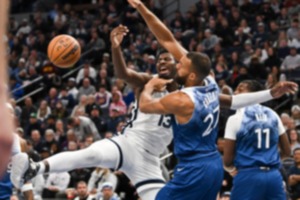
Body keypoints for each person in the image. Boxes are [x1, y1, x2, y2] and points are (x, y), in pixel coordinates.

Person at [11, 25, 298, 200]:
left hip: (150, 159)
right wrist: (115, 48)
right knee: (93, 154)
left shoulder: (190, 95)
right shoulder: (145, 81)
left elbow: (233, 101)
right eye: (159, 59)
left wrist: (270, 94)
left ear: (179, 67)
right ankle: (37, 167)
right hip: (129, 143)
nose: (161, 62)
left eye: (167, 60)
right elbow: (121, 71)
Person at [126, 0, 298, 199]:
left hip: (194, 167)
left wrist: (149, 87)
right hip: (213, 164)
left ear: (191, 75)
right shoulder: (209, 84)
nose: (176, 65)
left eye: (181, 66)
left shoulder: (182, 99)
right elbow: (168, 40)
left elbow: (146, 106)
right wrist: (270, 93)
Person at [223, 80, 290, 200]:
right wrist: (270, 162)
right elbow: (287, 151)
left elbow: (227, 161)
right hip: (273, 176)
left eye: (240, 89)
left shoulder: (235, 118)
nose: (235, 92)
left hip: (248, 175)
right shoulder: (273, 114)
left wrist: (232, 170)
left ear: (255, 94)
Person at [0, 104, 34, 200]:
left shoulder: (21, 143)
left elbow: (26, 175)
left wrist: (16, 193)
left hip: (10, 195)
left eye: (11, 113)